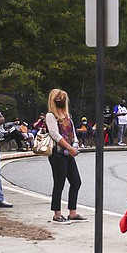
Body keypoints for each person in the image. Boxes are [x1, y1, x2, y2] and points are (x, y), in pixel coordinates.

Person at [45, 89, 86, 224]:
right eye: (59, 98)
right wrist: (69, 147)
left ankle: (72, 213)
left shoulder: (66, 114)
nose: (62, 100)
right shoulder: (51, 116)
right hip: (58, 154)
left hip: (68, 153)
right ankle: (57, 214)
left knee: (76, 182)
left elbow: (72, 132)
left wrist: (75, 144)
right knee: (59, 183)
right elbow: (55, 135)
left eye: (63, 97)